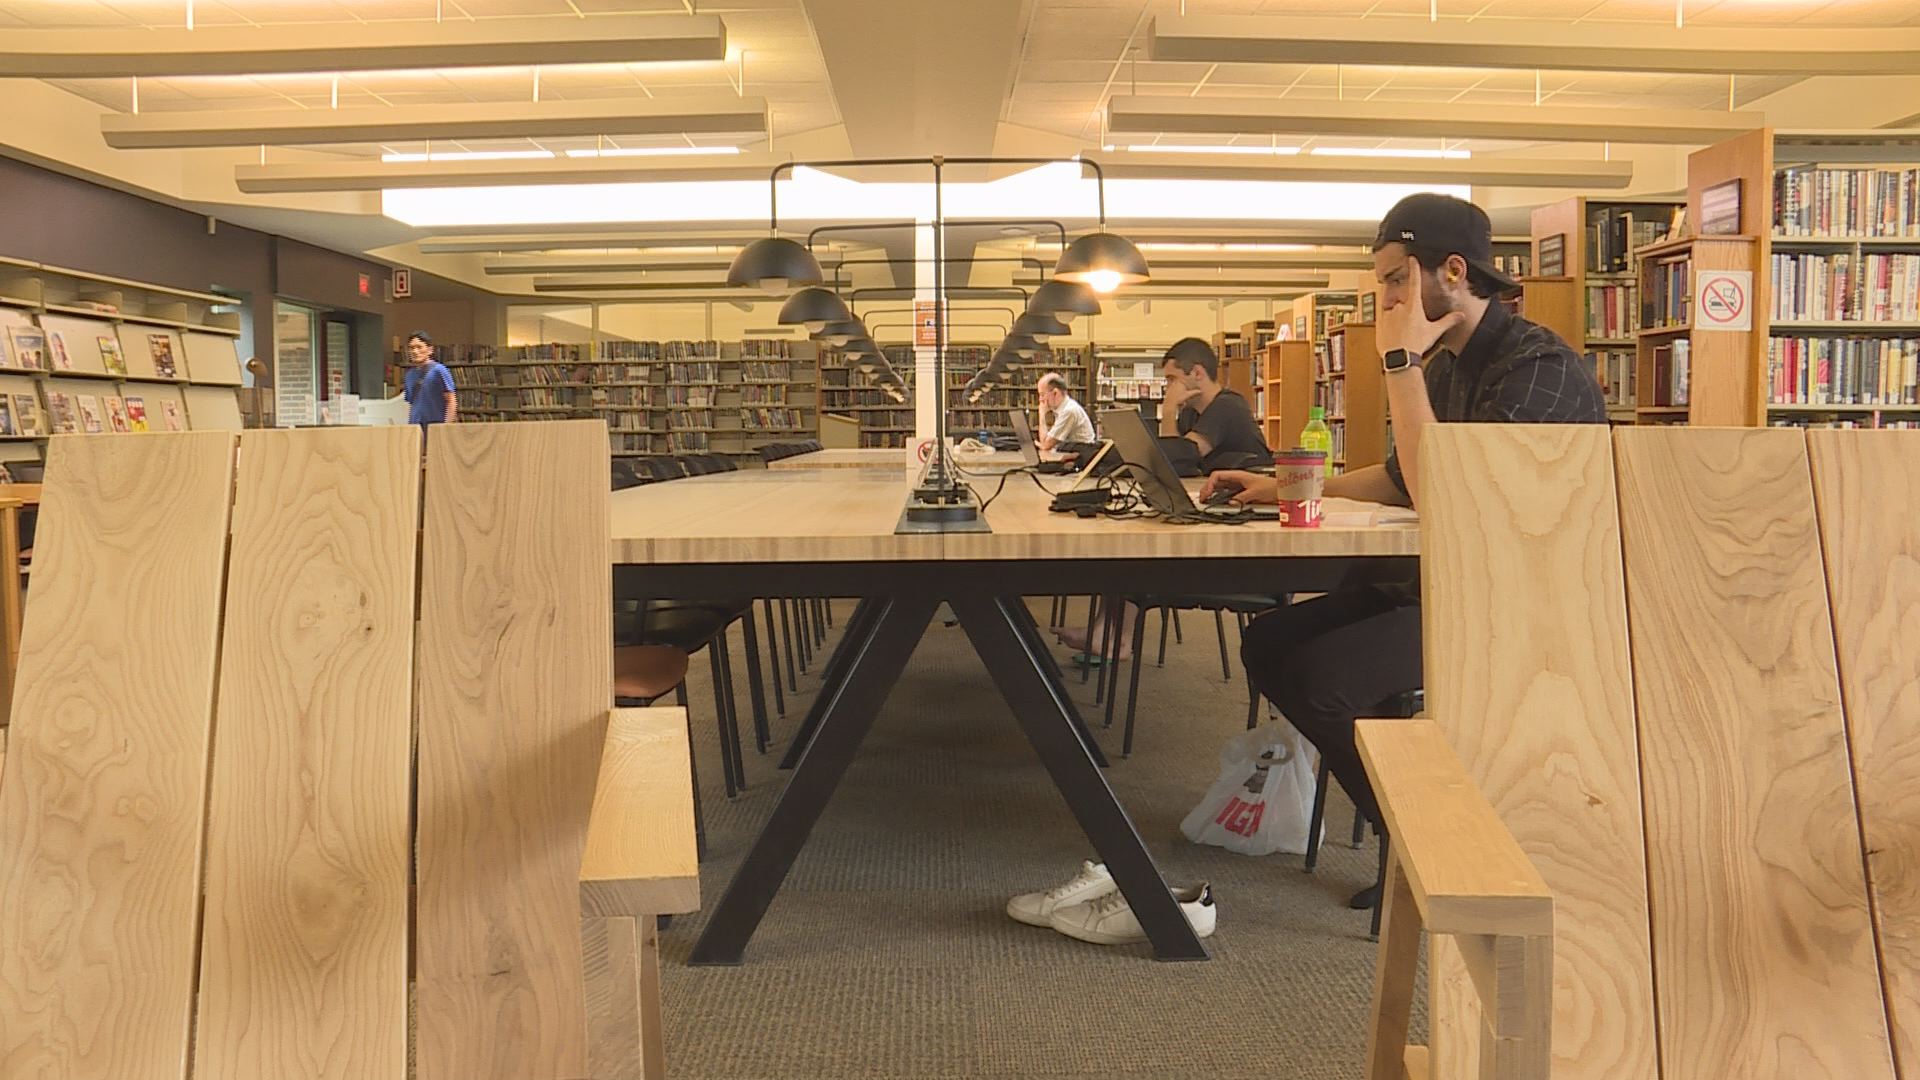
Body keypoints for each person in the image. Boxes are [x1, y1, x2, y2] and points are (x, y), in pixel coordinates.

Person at [1204, 193, 1605, 905]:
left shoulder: (1538, 368)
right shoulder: (1446, 366)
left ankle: (1430, 843)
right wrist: (1281, 486)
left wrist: (1399, 363)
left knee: (1324, 680)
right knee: (1268, 644)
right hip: (1453, 584)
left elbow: (1439, 495)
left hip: (1526, 609)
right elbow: (1399, 477)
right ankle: (1415, 829)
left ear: (1453, 271)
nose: (1386, 299)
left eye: (1395, 279)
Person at [1159, 338, 1271, 473]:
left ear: (1197, 373)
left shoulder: (1227, 406)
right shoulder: (1190, 412)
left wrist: (1168, 410)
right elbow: (1172, 460)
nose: (1168, 388)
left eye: (1172, 379)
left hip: (1248, 485)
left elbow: (1175, 462)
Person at [403, 330, 457, 427]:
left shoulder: (439, 370)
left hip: (435, 425)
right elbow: (412, 404)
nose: (415, 351)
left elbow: (451, 400)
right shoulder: (409, 375)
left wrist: (446, 426)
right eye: (412, 348)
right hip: (416, 426)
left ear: (429, 350)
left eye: (419, 347)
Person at [1035, 371, 1094, 451]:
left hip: (1083, 455)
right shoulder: (1062, 408)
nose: (1040, 399)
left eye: (1042, 395)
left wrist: (1041, 414)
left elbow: (1046, 445)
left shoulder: (1069, 411)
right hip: (1073, 452)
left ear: (1055, 393)